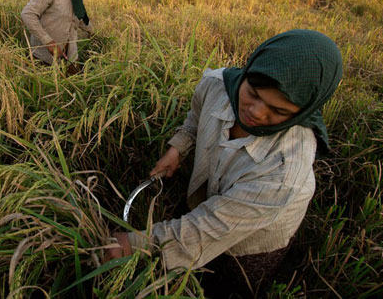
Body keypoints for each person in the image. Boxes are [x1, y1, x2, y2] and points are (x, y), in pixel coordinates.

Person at [105, 30, 343, 298]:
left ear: (304, 112)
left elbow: (211, 227)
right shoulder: (217, 84)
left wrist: (135, 244)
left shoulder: (284, 171)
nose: (255, 112)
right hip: (213, 200)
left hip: (252, 243)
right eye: (253, 93)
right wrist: (178, 148)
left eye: (278, 111)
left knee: (229, 285)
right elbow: (195, 117)